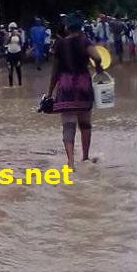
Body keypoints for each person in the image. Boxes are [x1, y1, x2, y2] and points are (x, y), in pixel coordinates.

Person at [47, 13, 104, 170]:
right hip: (83, 86)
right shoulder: (85, 41)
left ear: (67, 27)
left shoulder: (60, 44)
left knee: (68, 126)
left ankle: (71, 162)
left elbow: (54, 71)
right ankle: (85, 157)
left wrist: (50, 92)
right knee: (85, 124)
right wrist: (98, 68)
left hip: (65, 86)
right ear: (81, 27)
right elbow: (97, 56)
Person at [5, 22, 23, 86]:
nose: (13, 30)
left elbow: (21, 44)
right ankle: (11, 85)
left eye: (14, 28)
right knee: (10, 70)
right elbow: (6, 43)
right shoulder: (8, 35)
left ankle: (20, 84)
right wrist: (11, 36)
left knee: (18, 69)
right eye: (12, 29)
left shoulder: (19, 35)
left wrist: (18, 35)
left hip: (18, 54)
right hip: (10, 54)